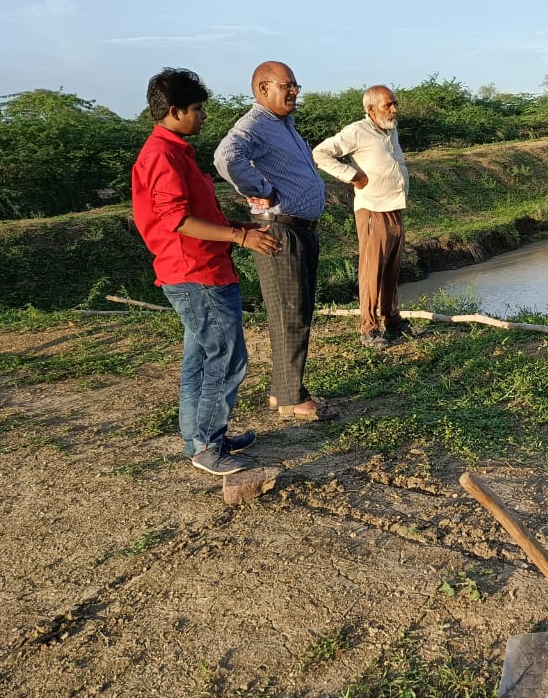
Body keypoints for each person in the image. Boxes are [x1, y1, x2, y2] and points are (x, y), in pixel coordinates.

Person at [131, 67, 279, 475]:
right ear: (174, 111)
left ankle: (199, 440)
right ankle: (208, 445)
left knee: (199, 359)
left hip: (199, 267)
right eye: (196, 108)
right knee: (228, 358)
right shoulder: (162, 156)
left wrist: (238, 227)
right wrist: (239, 236)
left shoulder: (175, 150)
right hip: (196, 272)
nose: (203, 115)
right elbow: (177, 220)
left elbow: (194, 212)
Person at [214, 61, 332, 421]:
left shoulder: (284, 125)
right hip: (280, 230)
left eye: (296, 85)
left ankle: (283, 390)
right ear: (263, 89)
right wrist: (258, 188)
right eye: (287, 85)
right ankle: (291, 399)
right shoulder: (254, 124)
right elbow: (225, 157)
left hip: (299, 229)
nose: (294, 91)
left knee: (295, 310)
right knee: (289, 312)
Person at [312, 85, 415, 349]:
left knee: (391, 267)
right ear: (370, 109)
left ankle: (392, 318)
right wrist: (353, 176)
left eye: (394, 103)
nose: (394, 109)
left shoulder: (390, 130)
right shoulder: (357, 131)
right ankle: (368, 328)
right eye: (388, 105)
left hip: (394, 207)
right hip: (372, 210)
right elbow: (320, 153)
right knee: (372, 270)